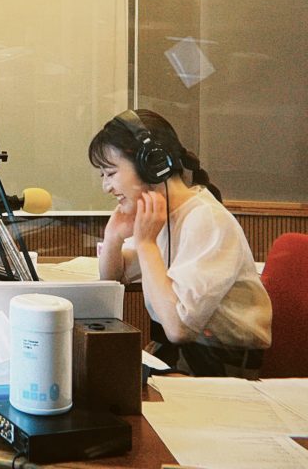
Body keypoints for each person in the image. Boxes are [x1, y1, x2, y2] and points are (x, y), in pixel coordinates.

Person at [89, 108, 271, 378]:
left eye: (111, 173)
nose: (106, 186)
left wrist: (147, 244)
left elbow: (178, 328)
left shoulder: (206, 219)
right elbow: (113, 279)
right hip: (181, 357)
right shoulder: (162, 212)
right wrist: (113, 237)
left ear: (151, 164)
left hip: (219, 369)